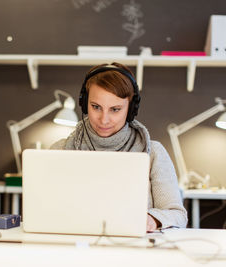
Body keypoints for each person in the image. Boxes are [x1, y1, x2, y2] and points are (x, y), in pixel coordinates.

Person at [51, 62, 188, 231]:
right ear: (84, 103)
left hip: (135, 250)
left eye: (115, 109)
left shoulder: (154, 154)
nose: (104, 119)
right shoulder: (59, 151)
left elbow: (177, 215)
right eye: (96, 107)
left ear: (131, 109)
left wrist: (153, 219)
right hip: (73, 246)